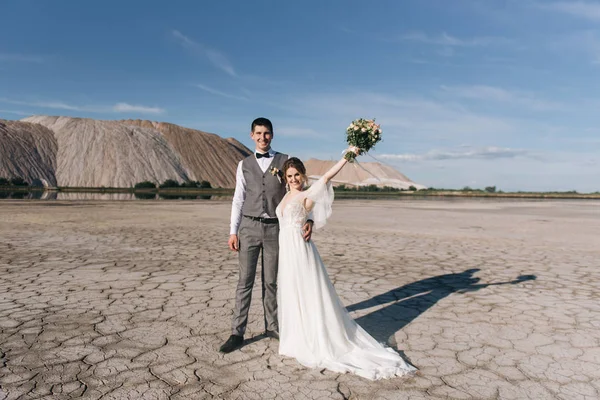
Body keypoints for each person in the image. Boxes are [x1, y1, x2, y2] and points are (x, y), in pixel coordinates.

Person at [275, 148, 417, 380]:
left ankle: (316, 339)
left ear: (303, 175)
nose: (293, 180)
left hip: (300, 250)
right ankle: (295, 339)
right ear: (285, 178)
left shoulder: (307, 195)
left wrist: (348, 155)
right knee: (292, 293)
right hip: (287, 252)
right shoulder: (285, 195)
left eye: (297, 175)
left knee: (308, 293)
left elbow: (327, 177)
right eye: (289, 176)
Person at [220, 117, 314, 353]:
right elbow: (238, 199)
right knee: (245, 282)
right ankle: (237, 332)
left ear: (273, 135)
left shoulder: (284, 161)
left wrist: (308, 219)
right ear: (252, 135)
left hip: (276, 229)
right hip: (249, 228)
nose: (263, 138)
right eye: (259, 133)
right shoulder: (243, 165)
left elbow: (300, 192)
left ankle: (272, 327)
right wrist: (233, 231)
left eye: (267, 133)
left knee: (271, 281)